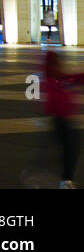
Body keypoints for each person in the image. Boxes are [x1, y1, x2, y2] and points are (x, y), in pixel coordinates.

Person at [41, 50, 84, 188]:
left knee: (72, 149)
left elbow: (77, 78)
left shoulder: (60, 79)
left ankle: (66, 179)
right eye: (56, 63)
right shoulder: (52, 81)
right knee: (69, 150)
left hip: (66, 121)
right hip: (61, 122)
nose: (59, 65)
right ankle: (65, 181)